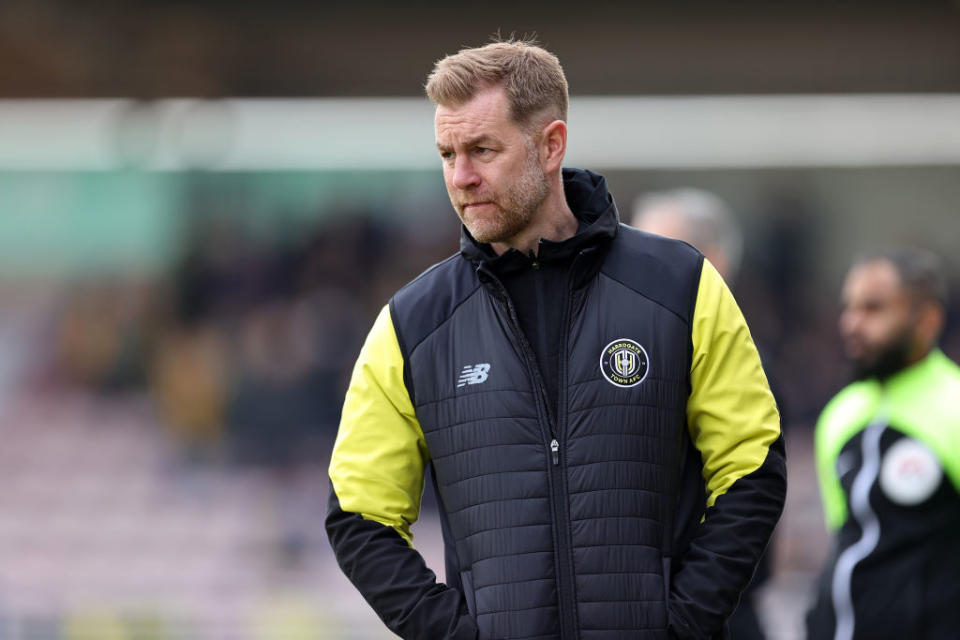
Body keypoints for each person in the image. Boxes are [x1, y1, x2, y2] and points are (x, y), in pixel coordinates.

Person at [326, 39, 786, 640]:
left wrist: (682, 626)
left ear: (551, 145)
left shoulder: (682, 285)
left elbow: (752, 467)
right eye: (447, 154)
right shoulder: (412, 323)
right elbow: (360, 516)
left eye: (482, 150)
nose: (461, 177)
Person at [632, 190, 772, 640]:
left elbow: (749, 511)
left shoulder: (743, 375)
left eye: (652, 255)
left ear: (711, 264)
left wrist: (686, 616)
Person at [806, 249, 960, 640]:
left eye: (873, 308)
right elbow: (843, 540)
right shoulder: (840, 415)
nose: (852, 323)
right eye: (849, 308)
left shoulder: (954, 405)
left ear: (927, 320)